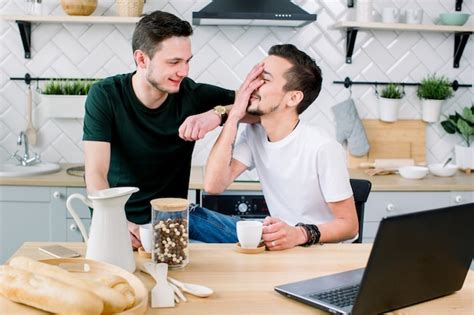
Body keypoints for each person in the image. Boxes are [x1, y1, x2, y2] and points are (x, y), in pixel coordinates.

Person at [83, 10, 243, 249]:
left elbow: (256, 104)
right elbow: (96, 173)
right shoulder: (106, 95)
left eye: (187, 61)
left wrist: (216, 115)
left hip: (171, 225)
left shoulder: (191, 94)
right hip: (119, 227)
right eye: (174, 62)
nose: (184, 71)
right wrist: (116, 223)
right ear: (141, 59)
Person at [197, 44, 358, 250]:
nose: (253, 86)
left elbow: (350, 227)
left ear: (293, 97)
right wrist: (234, 114)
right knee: (189, 215)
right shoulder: (256, 133)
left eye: (264, 79)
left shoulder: (322, 147)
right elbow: (214, 185)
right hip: (281, 247)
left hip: (320, 252)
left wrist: (299, 234)